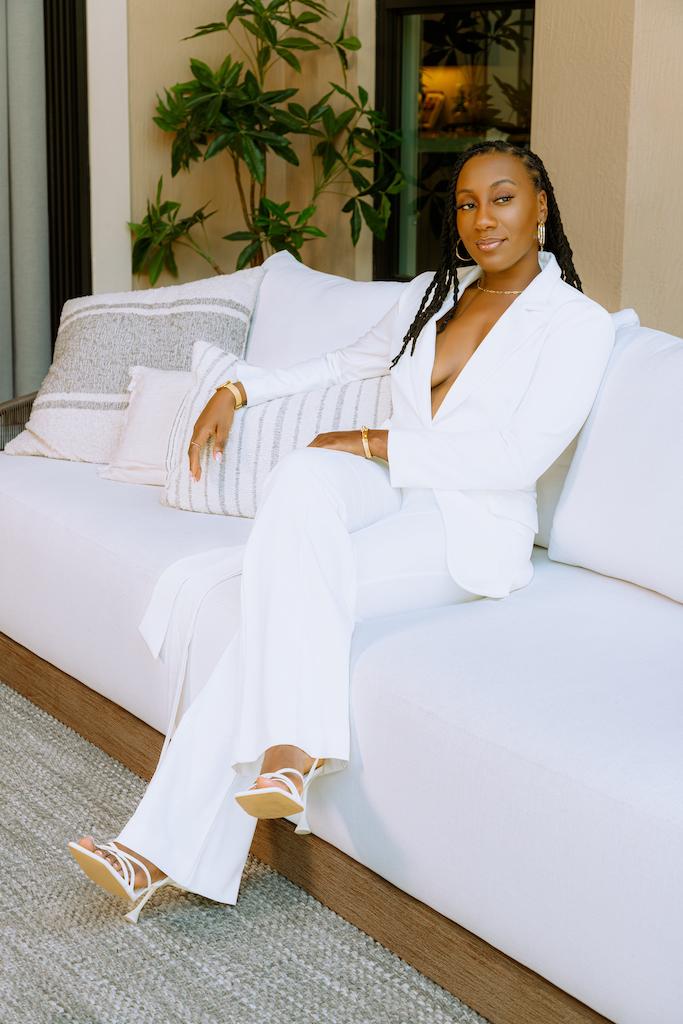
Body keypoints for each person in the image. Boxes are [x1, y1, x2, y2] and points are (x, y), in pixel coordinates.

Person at [69, 141, 615, 922]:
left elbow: (516, 457)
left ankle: (164, 845)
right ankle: (291, 749)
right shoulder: (437, 294)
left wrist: (372, 440)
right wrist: (239, 389)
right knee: (302, 473)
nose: (481, 219)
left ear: (539, 207)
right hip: (394, 490)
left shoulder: (575, 324)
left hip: (467, 521)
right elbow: (339, 365)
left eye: (501, 198)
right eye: (465, 203)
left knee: (272, 611)